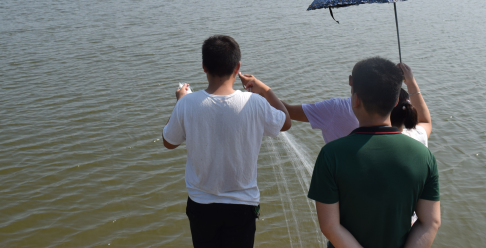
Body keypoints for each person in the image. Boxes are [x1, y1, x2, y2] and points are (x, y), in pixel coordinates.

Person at [162, 35, 291, 248]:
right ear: (237, 66)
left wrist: (180, 101)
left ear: (204, 67)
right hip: (242, 206)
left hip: (201, 204)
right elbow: (285, 122)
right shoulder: (255, 102)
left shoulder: (187, 104)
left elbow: (169, 141)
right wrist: (264, 89)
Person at [309, 57, 440, 248]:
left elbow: (330, 226)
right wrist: (411, 81)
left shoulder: (331, 155)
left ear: (356, 100)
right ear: (396, 101)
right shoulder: (423, 155)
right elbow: (430, 222)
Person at [281, 62, 432, 145]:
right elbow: (425, 122)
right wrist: (411, 83)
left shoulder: (336, 111)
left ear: (351, 82)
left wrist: (264, 92)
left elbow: (288, 111)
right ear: (396, 102)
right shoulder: (415, 141)